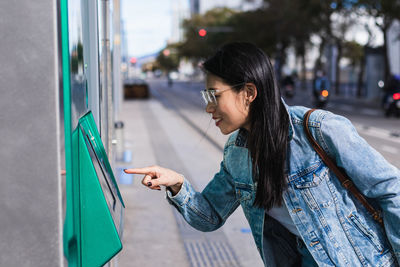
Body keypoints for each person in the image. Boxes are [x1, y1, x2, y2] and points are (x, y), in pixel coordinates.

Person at [124, 42, 400, 266]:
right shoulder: (237, 153)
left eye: (214, 96)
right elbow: (209, 216)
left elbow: (391, 190)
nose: (209, 109)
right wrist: (176, 184)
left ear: (249, 93)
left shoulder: (318, 130)